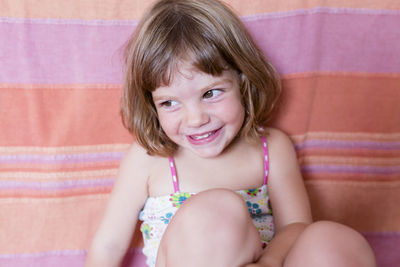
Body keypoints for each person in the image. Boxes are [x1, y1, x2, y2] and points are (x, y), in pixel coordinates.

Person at [85, 0, 376, 266]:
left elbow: (295, 226)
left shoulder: (270, 148)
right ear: (151, 103)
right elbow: (109, 245)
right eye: (170, 103)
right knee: (213, 212)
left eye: (211, 93)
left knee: (333, 241)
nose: (196, 119)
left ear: (243, 80)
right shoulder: (150, 159)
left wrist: (269, 262)